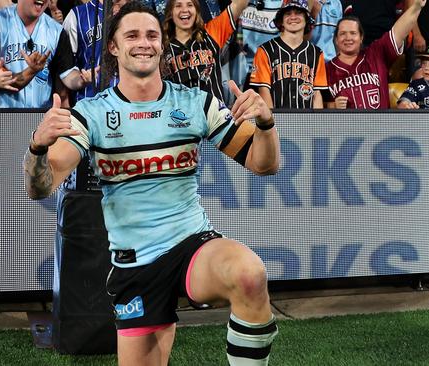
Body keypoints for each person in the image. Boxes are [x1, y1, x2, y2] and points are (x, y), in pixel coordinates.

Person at [23, 3, 280, 365]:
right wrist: (37, 146)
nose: (143, 43)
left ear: (162, 44)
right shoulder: (91, 114)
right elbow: (40, 187)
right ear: (113, 46)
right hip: (134, 266)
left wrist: (267, 125)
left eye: (151, 35)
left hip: (191, 244)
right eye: (132, 35)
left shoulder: (194, 104)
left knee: (250, 274)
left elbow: (263, 164)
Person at [0, 0, 77, 108]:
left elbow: (63, 87)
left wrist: (85, 79)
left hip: (43, 117)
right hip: (1, 116)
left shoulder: (57, 30)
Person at [325, 0, 426, 110]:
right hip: (346, 126)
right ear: (335, 39)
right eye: (342, 34)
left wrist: (416, 6)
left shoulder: (376, 54)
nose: (348, 38)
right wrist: (331, 105)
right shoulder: (326, 70)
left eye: (353, 33)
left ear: (361, 38)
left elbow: (398, 32)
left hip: (380, 125)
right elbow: (316, 102)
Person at [162, 0, 248, 102]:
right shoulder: (161, 46)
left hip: (215, 114)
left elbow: (240, 3)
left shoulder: (211, 33)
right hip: (180, 115)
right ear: (170, 12)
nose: (184, 10)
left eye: (190, 5)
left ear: (197, 11)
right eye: (178, 6)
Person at [250, 0, 327, 109]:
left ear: (307, 20)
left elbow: (317, 94)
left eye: (298, 13)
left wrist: (316, 124)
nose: (293, 17)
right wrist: (272, 123)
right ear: (281, 21)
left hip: (307, 121)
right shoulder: (265, 50)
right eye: (288, 14)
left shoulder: (317, 53)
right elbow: (263, 91)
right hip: (275, 118)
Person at [61, 0, 127, 102]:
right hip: (88, 101)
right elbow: (65, 67)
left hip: (129, 104)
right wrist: (82, 79)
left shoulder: (138, 14)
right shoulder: (77, 15)